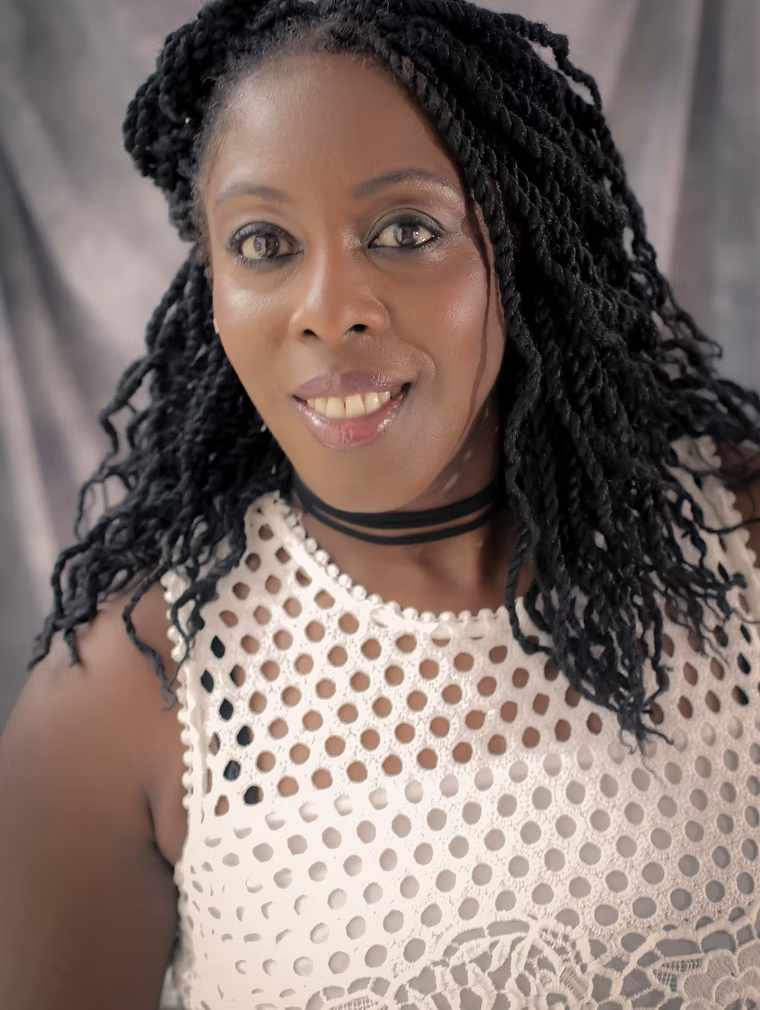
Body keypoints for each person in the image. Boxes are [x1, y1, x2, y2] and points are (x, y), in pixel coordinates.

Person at [2, 0, 759, 1006]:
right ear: (214, 281)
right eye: (265, 243)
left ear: (519, 243)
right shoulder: (119, 699)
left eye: (405, 229)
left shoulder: (736, 539)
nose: (328, 309)